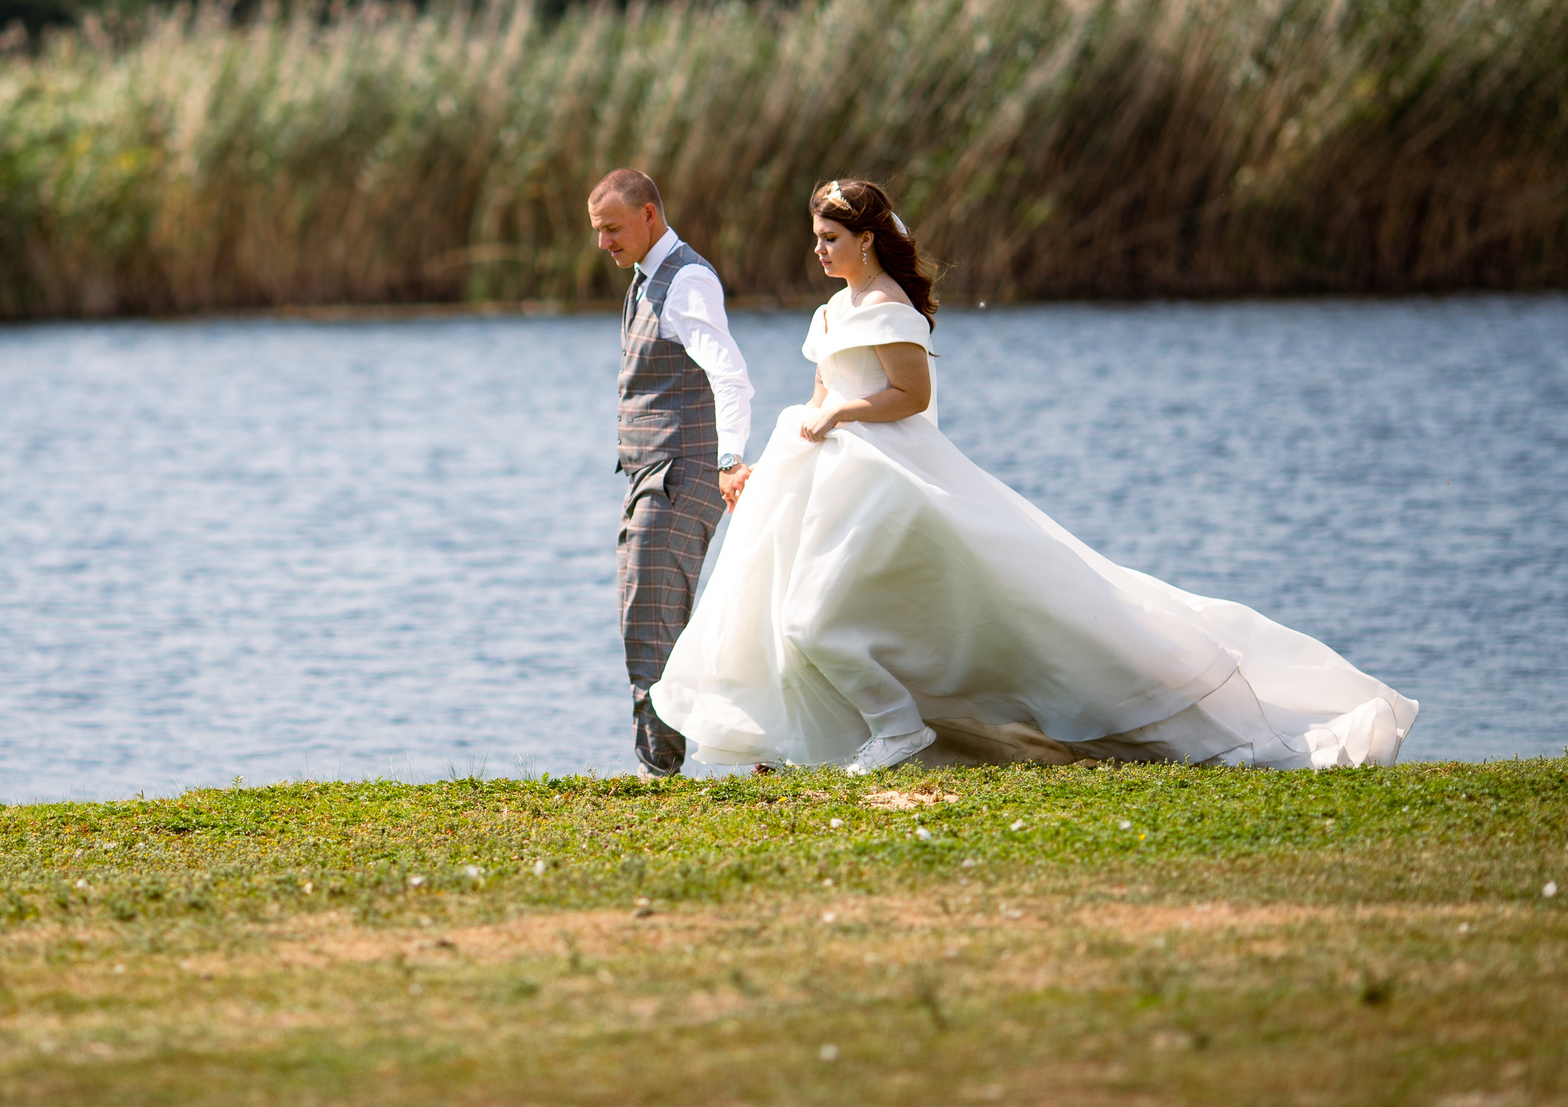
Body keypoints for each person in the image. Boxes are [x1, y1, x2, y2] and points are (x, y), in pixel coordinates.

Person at [649, 178, 1416, 775]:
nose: (818, 249)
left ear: (868, 240)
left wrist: (841, 414)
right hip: (829, 479)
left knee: (824, 618)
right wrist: (785, 446)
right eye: (815, 237)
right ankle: (852, 732)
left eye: (830, 237)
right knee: (799, 618)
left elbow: (908, 397)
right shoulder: (829, 312)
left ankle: (899, 728)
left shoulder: (888, 307)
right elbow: (822, 394)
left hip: (886, 482)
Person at [587, 168, 755, 777]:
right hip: (651, 472)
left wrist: (730, 459)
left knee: (649, 613)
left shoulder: (685, 281)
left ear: (648, 215)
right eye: (597, 231)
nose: (603, 243)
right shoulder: (647, 278)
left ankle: (658, 771)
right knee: (650, 614)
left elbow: (729, 375)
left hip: (679, 472)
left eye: (611, 229)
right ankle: (702, 750)